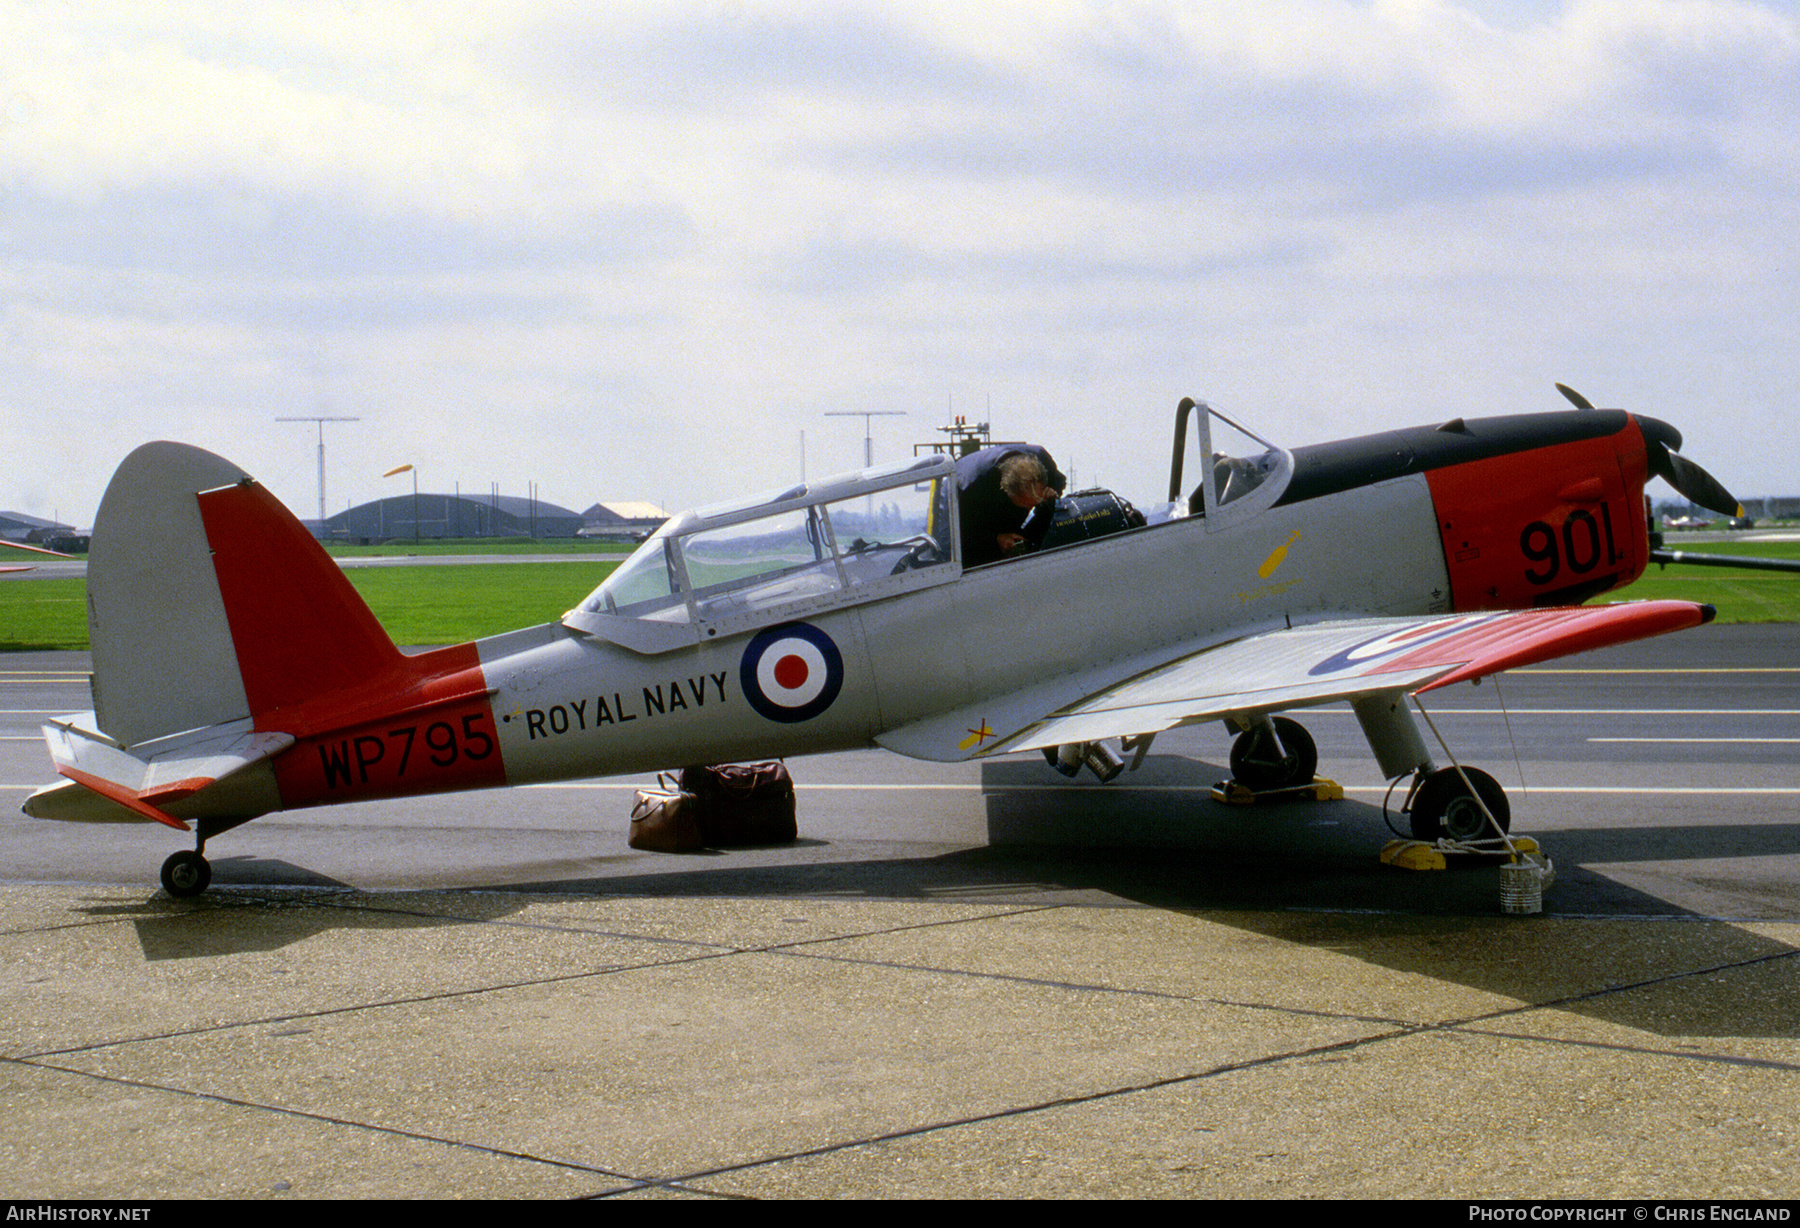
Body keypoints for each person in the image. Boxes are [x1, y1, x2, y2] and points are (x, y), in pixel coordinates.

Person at [954, 444, 1066, 567]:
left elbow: (1059, 482)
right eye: (1025, 505)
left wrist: (1050, 499)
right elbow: (963, 537)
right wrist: (996, 540)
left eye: (1034, 503)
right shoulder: (972, 491)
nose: (1029, 509)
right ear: (1007, 492)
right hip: (965, 510)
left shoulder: (1044, 461)